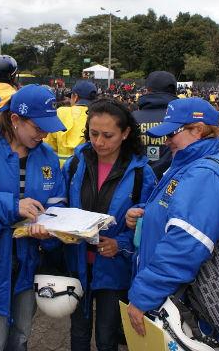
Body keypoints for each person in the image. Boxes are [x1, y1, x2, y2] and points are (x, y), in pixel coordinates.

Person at [126, 97, 219, 347]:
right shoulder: (190, 162)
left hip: (196, 314)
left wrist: (144, 295)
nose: (167, 140)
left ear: (197, 130)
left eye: (172, 133)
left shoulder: (203, 174)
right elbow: (179, 210)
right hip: (182, 303)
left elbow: (184, 245)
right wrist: (146, 212)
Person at [0, 84, 67, 351]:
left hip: (29, 259)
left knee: (21, 335)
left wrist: (52, 230)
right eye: (38, 127)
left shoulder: (47, 157)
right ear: (15, 119)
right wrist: (12, 206)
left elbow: (57, 203)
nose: (43, 134)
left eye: (47, 128)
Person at [63, 98, 156, 351]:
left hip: (114, 267)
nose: (99, 142)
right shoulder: (75, 163)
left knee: (107, 335)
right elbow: (60, 204)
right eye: (93, 134)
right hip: (78, 262)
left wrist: (121, 243)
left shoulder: (141, 173)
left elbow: (149, 220)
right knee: (79, 331)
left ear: (125, 133)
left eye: (108, 135)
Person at [132, 71, 178, 179]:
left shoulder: (131, 118)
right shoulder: (182, 120)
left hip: (136, 184)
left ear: (148, 90)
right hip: (172, 183)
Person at [45, 80, 98, 167]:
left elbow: (48, 145)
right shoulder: (98, 115)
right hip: (89, 172)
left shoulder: (60, 112)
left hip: (60, 172)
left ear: (75, 97)